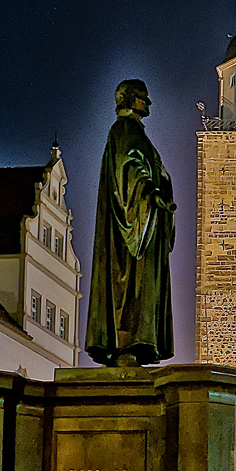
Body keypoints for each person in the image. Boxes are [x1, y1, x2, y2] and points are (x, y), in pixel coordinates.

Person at [85, 80, 176, 365]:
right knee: (131, 288)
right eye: (142, 98)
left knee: (141, 289)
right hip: (133, 229)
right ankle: (127, 342)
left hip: (146, 223)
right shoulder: (124, 130)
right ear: (129, 99)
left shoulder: (135, 131)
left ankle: (137, 341)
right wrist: (152, 194)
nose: (148, 103)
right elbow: (129, 170)